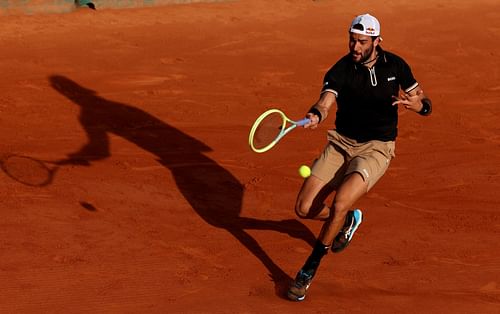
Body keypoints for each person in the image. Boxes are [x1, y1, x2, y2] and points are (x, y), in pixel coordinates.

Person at [287, 13, 432, 302]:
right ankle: (349, 219)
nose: (355, 47)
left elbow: (424, 102)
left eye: (362, 42)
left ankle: (307, 271)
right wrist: (317, 113)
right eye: (352, 40)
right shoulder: (341, 70)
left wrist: (418, 107)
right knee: (304, 208)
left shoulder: (397, 66)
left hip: (377, 147)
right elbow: (325, 101)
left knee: (340, 201)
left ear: (377, 42)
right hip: (341, 144)